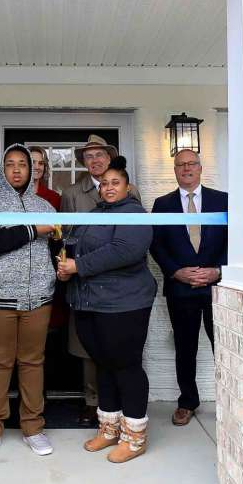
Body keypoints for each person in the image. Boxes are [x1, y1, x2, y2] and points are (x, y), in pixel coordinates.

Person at [57, 156, 157, 463]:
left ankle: (135, 437)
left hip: (123, 303)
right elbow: (76, 246)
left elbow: (124, 251)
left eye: (116, 183)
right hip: (91, 302)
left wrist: (78, 266)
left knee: (126, 366)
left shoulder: (134, 213)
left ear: (127, 187)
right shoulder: (94, 213)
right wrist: (66, 266)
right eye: (106, 184)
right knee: (103, 365)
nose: (109, 187)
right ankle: (110, 428)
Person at [0, 143, 56, 460]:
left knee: (33, 362)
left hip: (39, 297)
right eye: (11, 163)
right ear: (2, 169)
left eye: (23, 163)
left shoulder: (46, 207)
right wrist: (34, 229)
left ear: (32, 170)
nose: (17, 168)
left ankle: (33, 428)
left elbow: (58, 245)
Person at [60, 135, 139, 426]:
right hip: (84, 284)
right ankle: (94, 403)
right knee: (88, 347)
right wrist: (68, 266)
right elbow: (68, 235)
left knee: (119, 352)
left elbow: (129, 240)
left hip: (119, 288)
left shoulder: (132, 196)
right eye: (89, 156)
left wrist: (80, 264)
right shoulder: (71, 193)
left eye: (100, 155)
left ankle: (125, 413)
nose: (95, 160)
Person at [148, 149, 227, 426]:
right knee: (185, 348)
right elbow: (156, 244)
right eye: (180, 165)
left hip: (218, 288)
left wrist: (217, 271)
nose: (186, 168)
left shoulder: (223, 200)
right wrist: (175, 272)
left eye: (192, 163)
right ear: (175, 170)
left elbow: (236, 240)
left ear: (201, 168)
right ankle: (188, 401)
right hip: (180, 288)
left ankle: (230, 402)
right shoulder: (162, 204)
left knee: (225, 347)